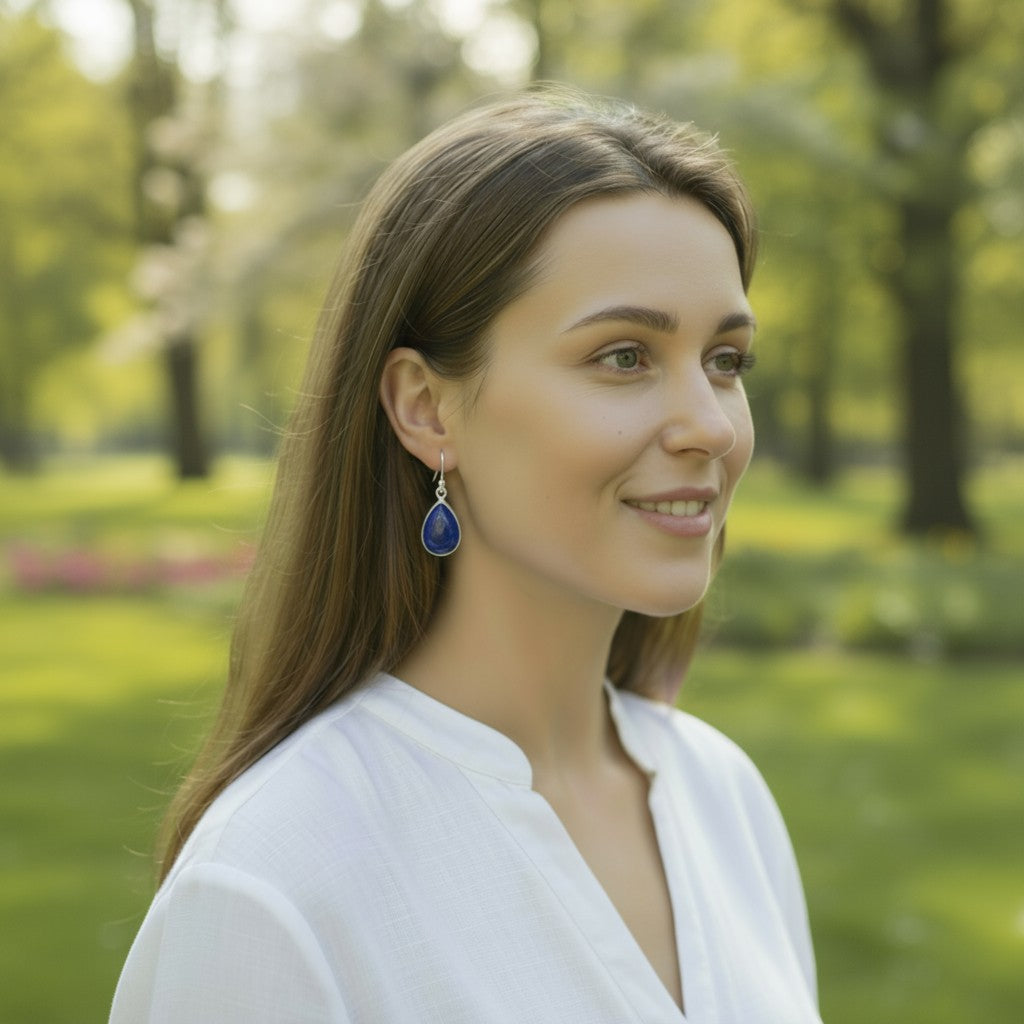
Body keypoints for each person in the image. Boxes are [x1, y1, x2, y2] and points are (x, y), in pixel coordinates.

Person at [110, 86, 822, 1023]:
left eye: (725, 362)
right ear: (426, 408)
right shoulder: (273, 885)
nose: (708, 426)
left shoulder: (721, 796)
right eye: (623, 357)